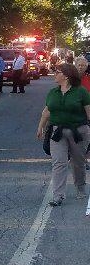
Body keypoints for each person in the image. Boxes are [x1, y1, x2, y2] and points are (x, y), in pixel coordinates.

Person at [37, 64, 90, 207]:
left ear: (66, 76)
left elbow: (88, 112)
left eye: (57, 72)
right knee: (59, 162)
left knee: (78, 162)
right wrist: (40, 127)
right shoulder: (53, 92)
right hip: (57, 132)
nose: (55, 74)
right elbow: (47, 111)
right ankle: (58, 195)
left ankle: (80, 187)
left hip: (78, 132)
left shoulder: (81, 92)